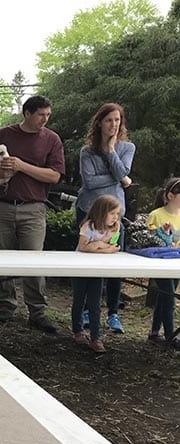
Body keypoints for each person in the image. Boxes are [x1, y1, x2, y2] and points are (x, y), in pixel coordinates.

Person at [0, 95, 65, 333]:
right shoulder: (5, 135)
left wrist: (22, 166)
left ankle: (37, 311)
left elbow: (55, 176)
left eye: (48, 115)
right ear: (27, 113)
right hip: (1, 204)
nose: (45, 120)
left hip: (34, 207)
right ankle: (5, 305)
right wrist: (0, 167)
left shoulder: (51, 140)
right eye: (41, 115)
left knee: (34, 260)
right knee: (1, 258)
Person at [77, 103, 135, 334]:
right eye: (109, 120)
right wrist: (119, 178)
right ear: (100, 122)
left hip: (114, 215)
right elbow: (90, 182)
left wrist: (111, 152)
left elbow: (123, 173)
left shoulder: (126, 147)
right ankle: (85, 310)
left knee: (113, 262)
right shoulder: (87, 151)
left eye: (117, 120)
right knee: (87, 259)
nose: (113, 124)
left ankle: (112, 312)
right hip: (88, 210)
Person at [71, 195, 123, 353]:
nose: (116, 217)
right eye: (112, 213)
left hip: (98, 269)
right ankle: (77, 330)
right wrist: (100, 245)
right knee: (79, 300)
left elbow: (114, 248)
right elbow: (83, 247)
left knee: (95, 304)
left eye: (117, 214)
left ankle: (95, 337)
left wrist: (98, 247)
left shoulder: (115, 227)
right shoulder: (89, 226)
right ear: (102, 212)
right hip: (81, 268)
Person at [146, 177, 180, 350]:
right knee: (169, 298)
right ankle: (170, 335)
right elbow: (148, 240)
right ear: (170, 196)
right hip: (159, 264)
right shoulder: (156, 215)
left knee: (165, 295)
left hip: (176, 265)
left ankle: (154, 332)